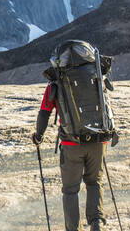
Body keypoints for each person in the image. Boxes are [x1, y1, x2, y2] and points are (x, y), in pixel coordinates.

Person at [32, 41, 110, 231]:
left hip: (71, 143)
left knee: (70, 190)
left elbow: (44, 112)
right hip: (99, 141)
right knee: (94, 182)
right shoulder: (96, 76)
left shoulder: (56, 83)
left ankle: (73, 229)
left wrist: (38, 136)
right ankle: (96, 223)